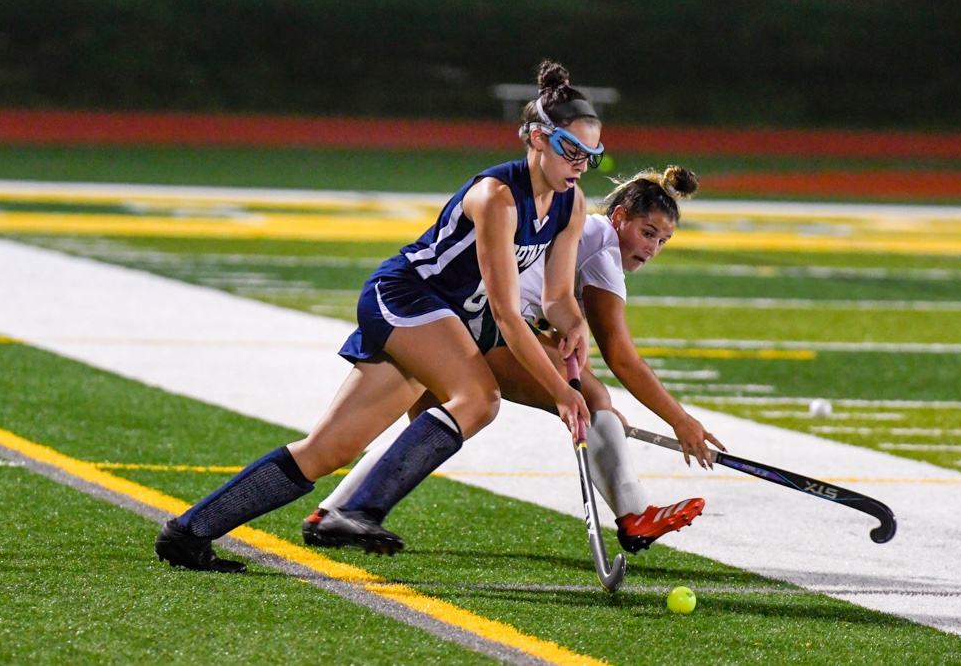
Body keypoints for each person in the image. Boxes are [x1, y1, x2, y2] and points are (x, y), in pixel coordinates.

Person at [154, 60, 604, 572]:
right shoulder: (497, 197)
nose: (580, 165)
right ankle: (359, 510)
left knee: (329, 450)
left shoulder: (569, 203)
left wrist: (574, 323)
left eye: (591, 156)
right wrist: (560, 390)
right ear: (538, 138)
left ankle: (188, 532)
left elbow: (556, 297)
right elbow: (504, 311)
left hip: (445, 320)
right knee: (479, 398)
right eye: (572, 150)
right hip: (408, 297)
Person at [302, 165, 727, 556]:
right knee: (592, 398)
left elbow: (563, 337)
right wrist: (681, 421)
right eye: (648, 233)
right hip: (478, 321)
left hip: (448, 311)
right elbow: (621, 357)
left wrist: (602, 421)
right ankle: (634, 515)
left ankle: (334, 512)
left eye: (662, 241)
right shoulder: (604, 250)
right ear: (619, 217)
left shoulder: (588, 234)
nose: (652, 248)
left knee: (428, 427)